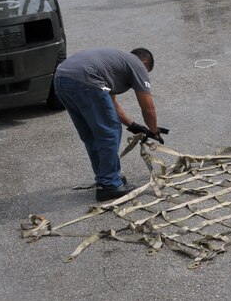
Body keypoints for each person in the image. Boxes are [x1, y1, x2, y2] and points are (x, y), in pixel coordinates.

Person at [52, 47, 164, 201]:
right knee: (109, 132)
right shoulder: (138, 65)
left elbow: (110, 103)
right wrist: (153, 130)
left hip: (61, 78)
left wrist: (133, 125)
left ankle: (107, 176)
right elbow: (148, 107)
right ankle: (109, 184)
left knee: (92, 134)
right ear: (145, 63)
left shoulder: (114, 64)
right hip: (86, 80)